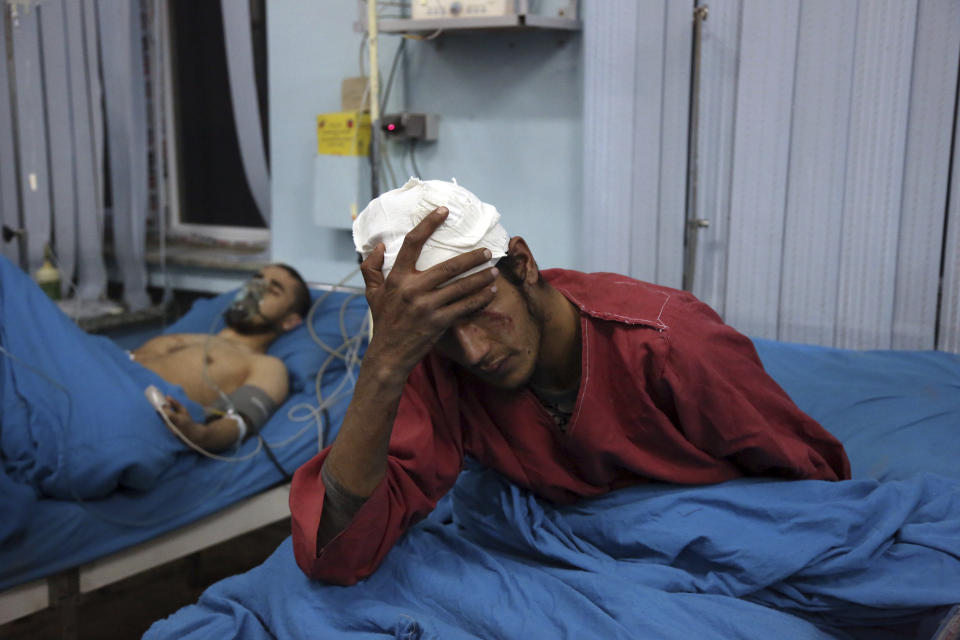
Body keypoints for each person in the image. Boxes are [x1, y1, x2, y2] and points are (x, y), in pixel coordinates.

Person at [290, 178, 851, 586]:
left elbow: (812, 493)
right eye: (439, 335)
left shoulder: (670, 342)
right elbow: (341, 553)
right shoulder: (434, 360)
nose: (475, 353)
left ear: (524, 265)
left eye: (482, 312)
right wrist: (385, 363)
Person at [136, 263, 310, 453]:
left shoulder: (265, 365)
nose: (255, 291)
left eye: (272, 290)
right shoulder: (187, 337)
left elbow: (238, 424)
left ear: (289, 321)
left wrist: (197, 433)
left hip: (139, 411)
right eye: (256, 281)